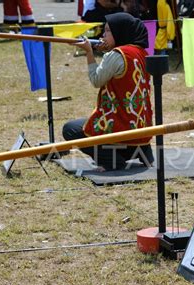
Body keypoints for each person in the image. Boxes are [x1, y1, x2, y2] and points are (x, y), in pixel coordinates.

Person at [64, 12, 154, 171]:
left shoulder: (116, 54)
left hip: (121, 131)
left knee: (70, 129)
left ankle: (112, 161)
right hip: (141, 133)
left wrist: (89, 53)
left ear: (120, 31)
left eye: (107, 31)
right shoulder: (141, 52)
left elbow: (96, 80)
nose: (103, 35)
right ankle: (145, 153)